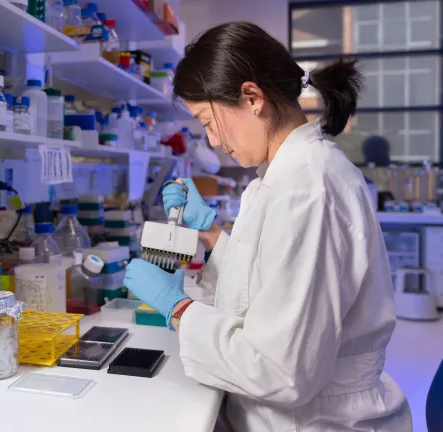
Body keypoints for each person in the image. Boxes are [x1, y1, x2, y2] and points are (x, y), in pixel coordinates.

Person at [123, 22, 411, 432]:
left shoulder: (307, 188)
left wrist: (179, 310)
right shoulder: (281, 176)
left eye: (207, 122)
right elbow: (271, 284)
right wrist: (212, 237)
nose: (213, 142)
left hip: (314, 422)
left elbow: (282, 370)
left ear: (252, 97)